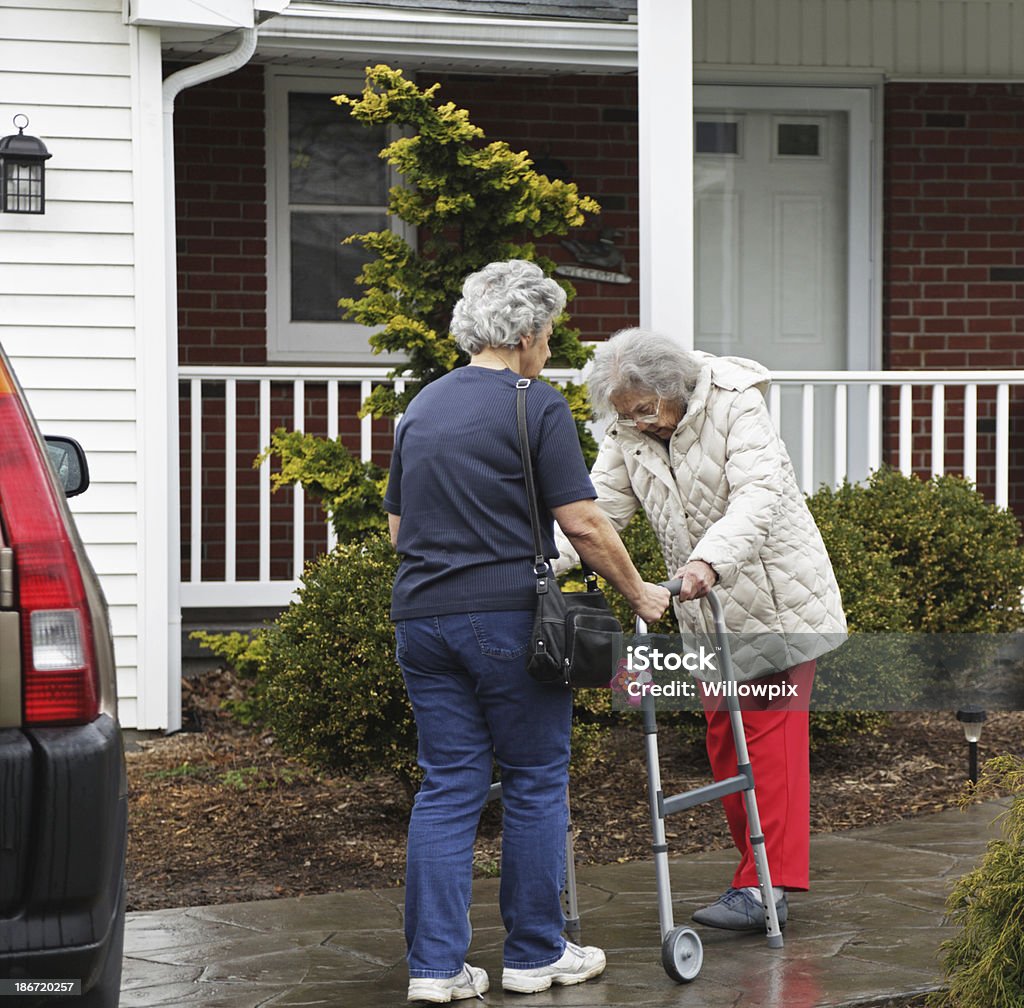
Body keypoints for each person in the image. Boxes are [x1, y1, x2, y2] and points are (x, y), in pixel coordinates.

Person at [384, 263, 671, 1004]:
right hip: (508, 618)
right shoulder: (532, 404)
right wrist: (640, 593)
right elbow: (582, 521)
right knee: (537, 782)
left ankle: (436, 968)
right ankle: (536, 954)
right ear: (524, 335)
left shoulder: (422, 406)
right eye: (547, 335)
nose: (548, 349)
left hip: (420, 619)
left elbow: (396, 530)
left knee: (448, 785)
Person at [555, 327, 847, 932]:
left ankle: (768, 885)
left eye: (643, 410)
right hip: (706, 614)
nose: (635, 423)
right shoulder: (627, 432)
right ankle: (756, 874)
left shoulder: (736, 403)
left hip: (775, 603)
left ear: (674, 388)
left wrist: (708, 561)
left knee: (768, 740)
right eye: (622, 414)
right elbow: (598, 512)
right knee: (725, 741)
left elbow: (759, 496)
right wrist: (537, 560)